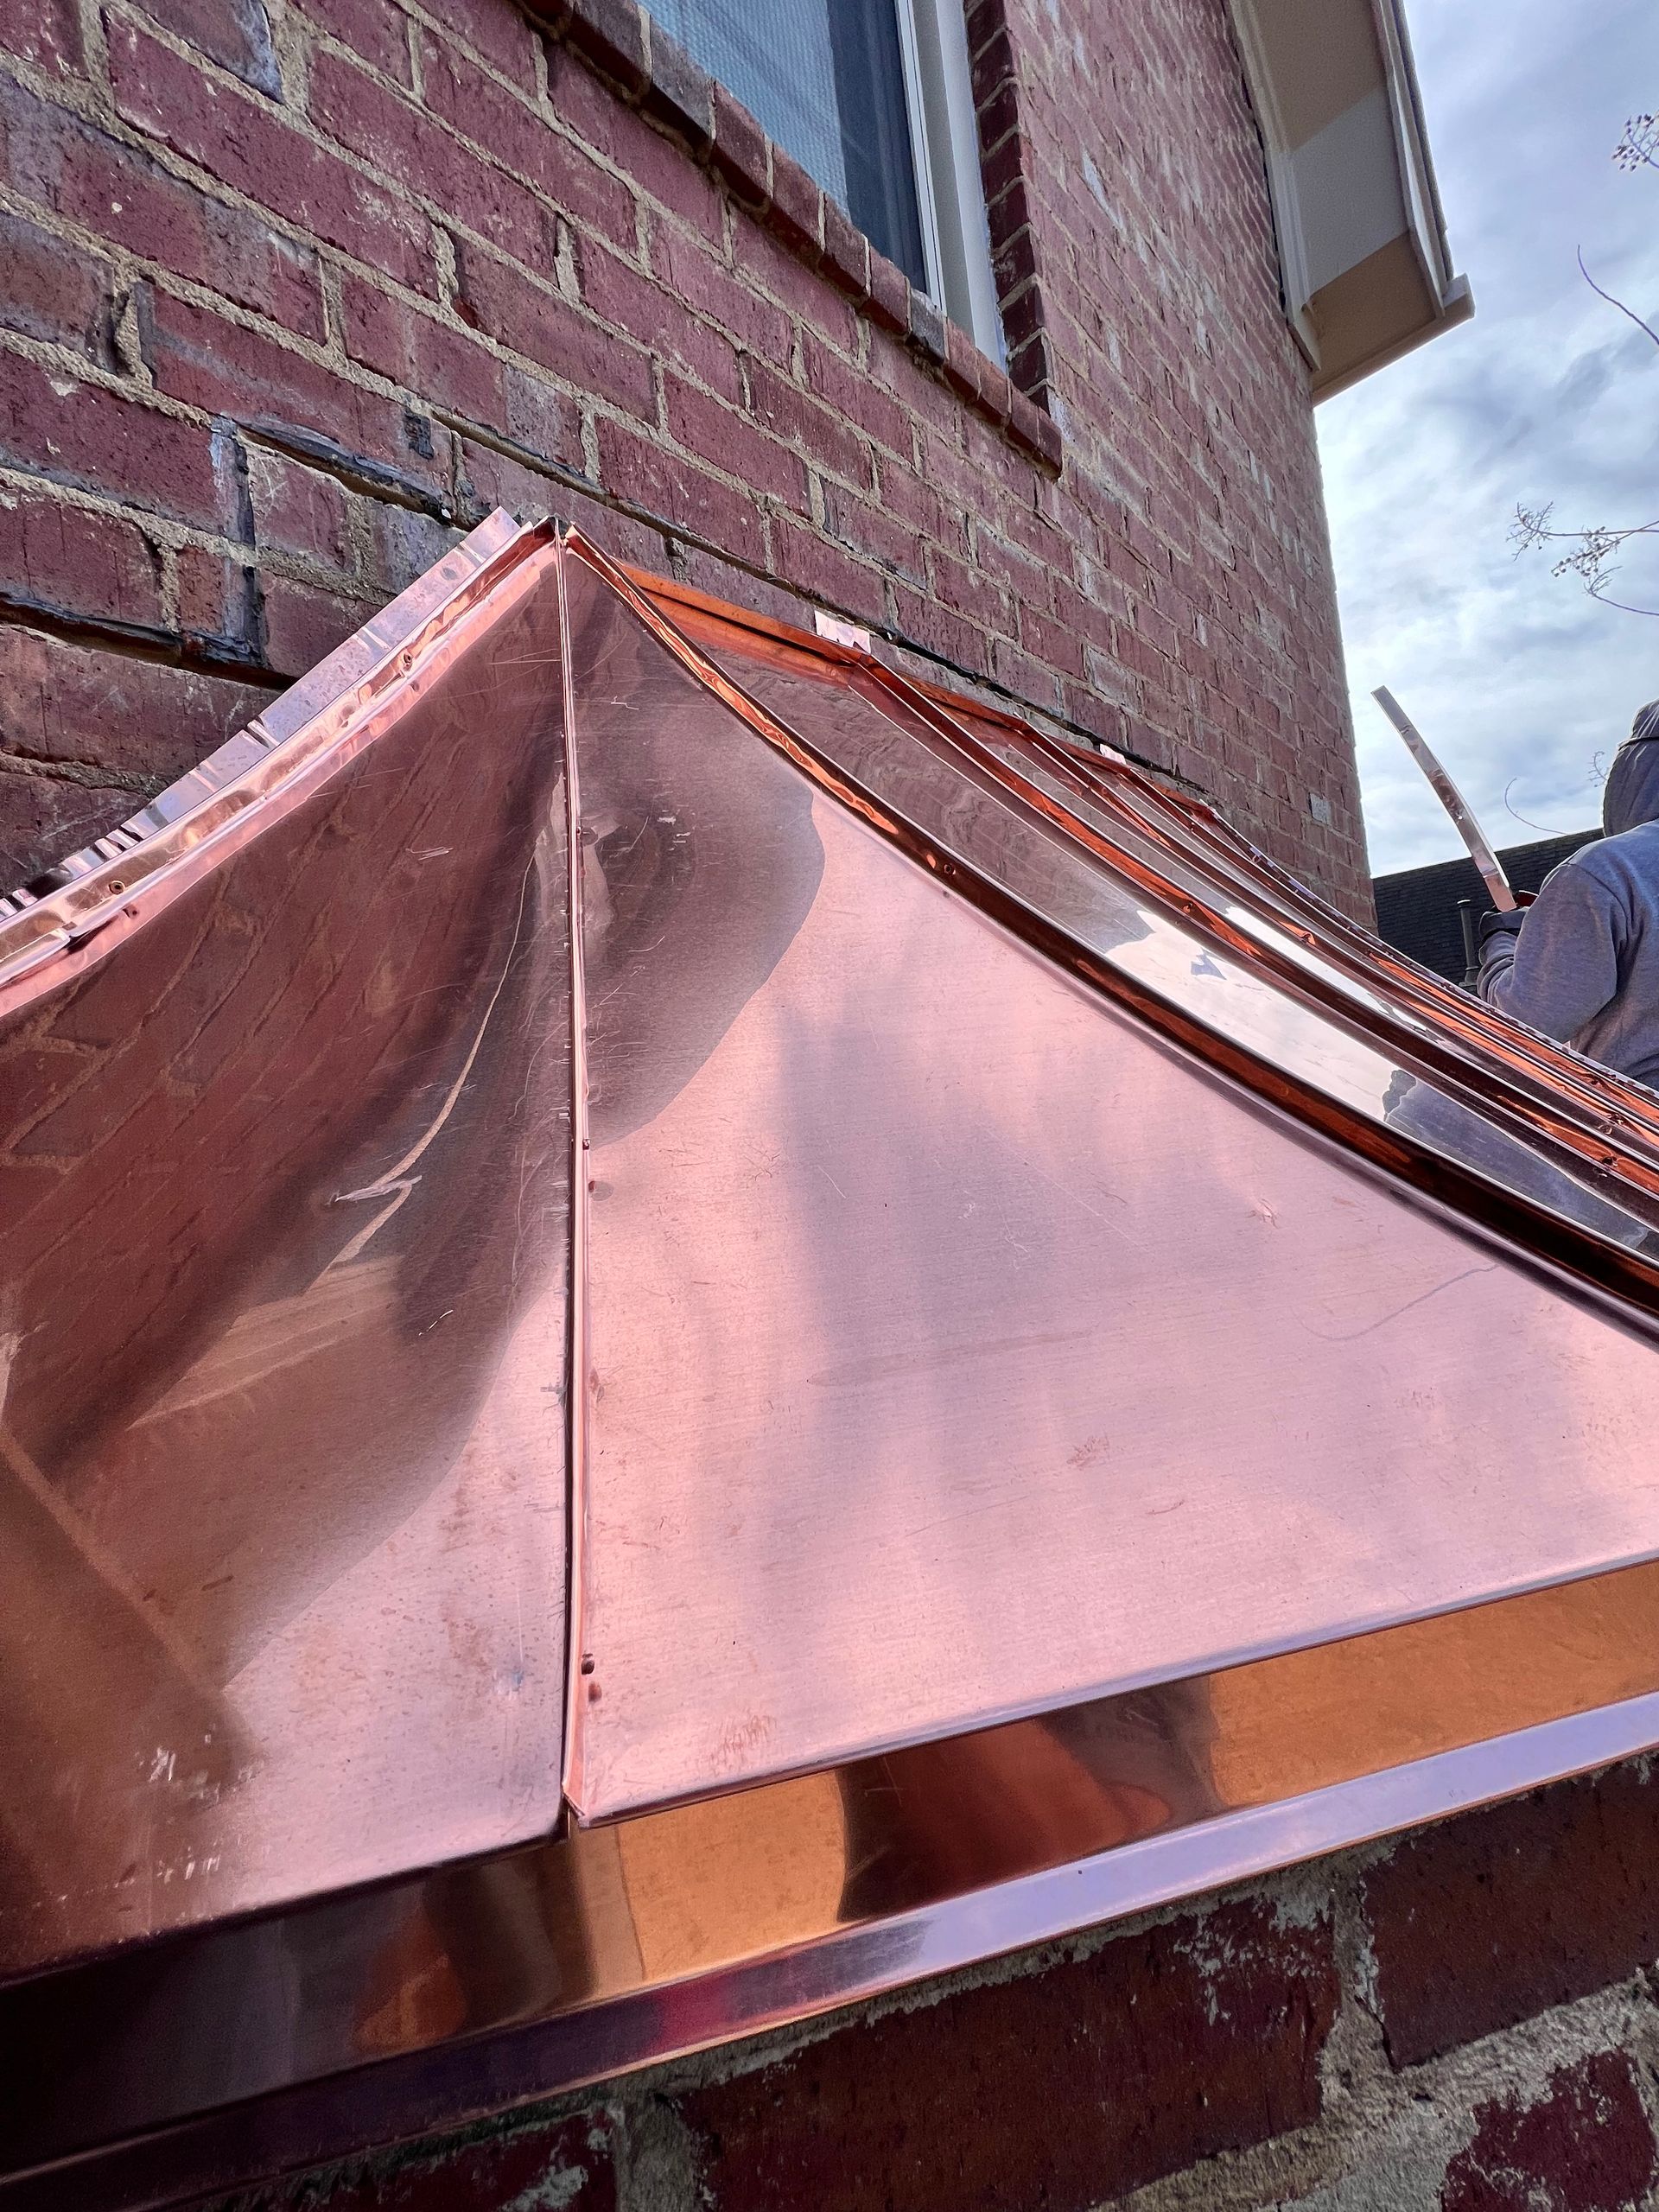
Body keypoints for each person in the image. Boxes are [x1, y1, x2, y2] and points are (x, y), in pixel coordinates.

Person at [1478, 699, 1659, 1087]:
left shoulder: (1608, 870)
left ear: (1637, 769)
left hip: (1638, 1117)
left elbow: (1523, 1026)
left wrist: (1503, 943)